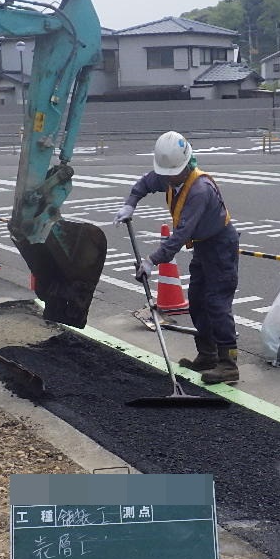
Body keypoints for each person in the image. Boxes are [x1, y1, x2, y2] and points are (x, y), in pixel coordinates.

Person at [114, 131, 240, 384]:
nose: (167, 178)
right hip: (203, 247)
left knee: (216, 303)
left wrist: (151, 260)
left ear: (185, 166)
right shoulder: (170, 177)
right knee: (197, 300)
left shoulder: (199, 190)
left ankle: (228, 364)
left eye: (172, 173)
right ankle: (208, 354)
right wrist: (131, 203)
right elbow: (146, 183)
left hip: (220, 247)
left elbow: (181, 234)